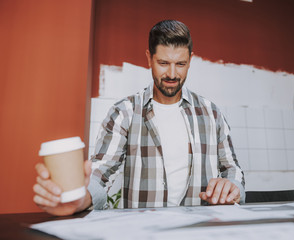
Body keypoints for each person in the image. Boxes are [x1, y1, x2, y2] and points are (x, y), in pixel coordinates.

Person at [33, 20, 245, 216]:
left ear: (190, 60)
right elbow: (100, 173)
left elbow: (233, 170)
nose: (172, 74)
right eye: (163, 62)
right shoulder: (124, 112)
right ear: (149, 58)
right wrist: (81, 199)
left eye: (180, 64)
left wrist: (233, 188)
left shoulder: (211, 113)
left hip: (198, 232)